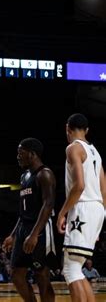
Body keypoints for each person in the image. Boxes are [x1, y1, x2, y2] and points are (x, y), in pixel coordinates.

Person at [57, 113, 106, 302]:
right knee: (76, 269)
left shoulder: (73, 148)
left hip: (83, 208)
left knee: (70, 270)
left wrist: (62, 212)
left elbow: (79, 185)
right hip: (98, 209)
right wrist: (99, 217)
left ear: (67, 128)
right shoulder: (95, 152)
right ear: (87, 130)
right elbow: (103, 187)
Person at [2, 137, 57, 302]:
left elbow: (48, 205)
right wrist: (12, 235)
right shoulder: (24, 176)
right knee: (16, 274)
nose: (18, 156)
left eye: (21, 152)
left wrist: (34, 234)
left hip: (39, 229)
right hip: (23, 228)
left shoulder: (45, 174)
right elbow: (22, 211)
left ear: (32, 154)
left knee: (42, 275)